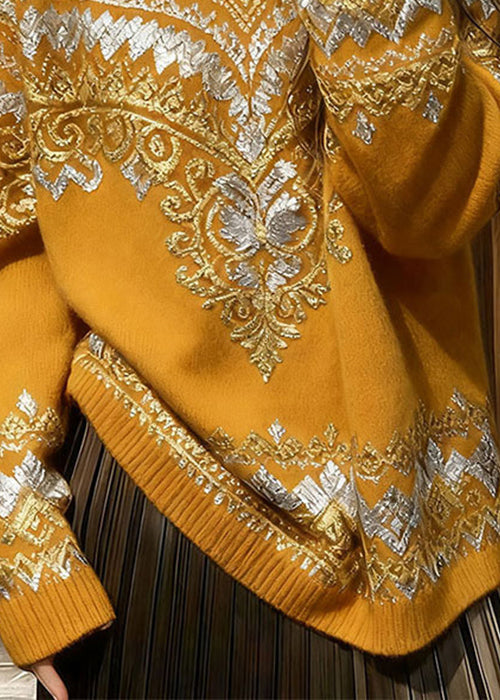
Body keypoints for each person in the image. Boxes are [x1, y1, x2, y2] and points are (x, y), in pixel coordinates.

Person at [0, 0, 499, 697]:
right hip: (154, 512)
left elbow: (430, 208)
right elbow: (17, 231)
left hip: (428, 523)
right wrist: (17, 536)